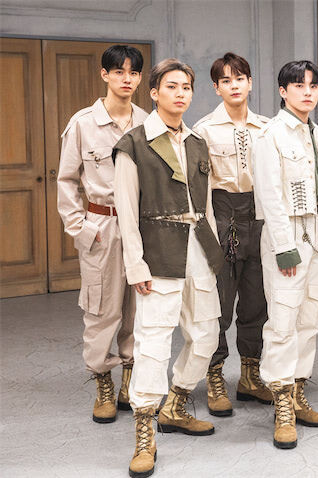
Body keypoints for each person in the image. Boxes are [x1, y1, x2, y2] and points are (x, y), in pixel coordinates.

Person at [114, 58, 225, 478]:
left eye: (186, 87)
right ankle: (145, 432)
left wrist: (214, 255)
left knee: (206, 336)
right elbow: (126, 211)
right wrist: (136, 264)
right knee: (153, 343)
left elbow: (207, 206)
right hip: (157, 252)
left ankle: (175, 404)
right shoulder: (133, 144)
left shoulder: (197, 143)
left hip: (199, 249)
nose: (180, 94)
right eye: (172, 86)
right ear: (154, 92)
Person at [252, 60, 318, 450]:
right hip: (287, 235)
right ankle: (282, 405)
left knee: (309, 319)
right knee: (283, 321)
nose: (307, 92)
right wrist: (284, 246)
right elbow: (269, 196)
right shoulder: (270, 135)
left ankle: (298, 393)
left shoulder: (317, 133)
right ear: (282, 91)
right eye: (298, 85)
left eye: (313, 85)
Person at [57, 44, 148, 424]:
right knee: (101, 310)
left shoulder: (148, 122)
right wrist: (80, 229)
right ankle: (102, 382)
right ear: (104, 74)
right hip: (102, 227)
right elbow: (66, 179)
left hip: (140, 229)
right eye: (119, 71)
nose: (127, 79)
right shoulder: (83, 123)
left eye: (133, 73)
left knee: (138, 309)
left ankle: (130, 377)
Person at [193, 52, 271, 417]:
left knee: (257, 302)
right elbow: (199, 189)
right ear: (216, 88)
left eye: (240, 78)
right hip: (222, 216)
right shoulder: (204, 130)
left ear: (250, 83)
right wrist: (209, 235)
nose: (234, 85)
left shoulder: (267, 128)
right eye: (226, 80)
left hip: (259, 217)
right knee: (219, 305)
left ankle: (250, 377)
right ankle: (215, 376)